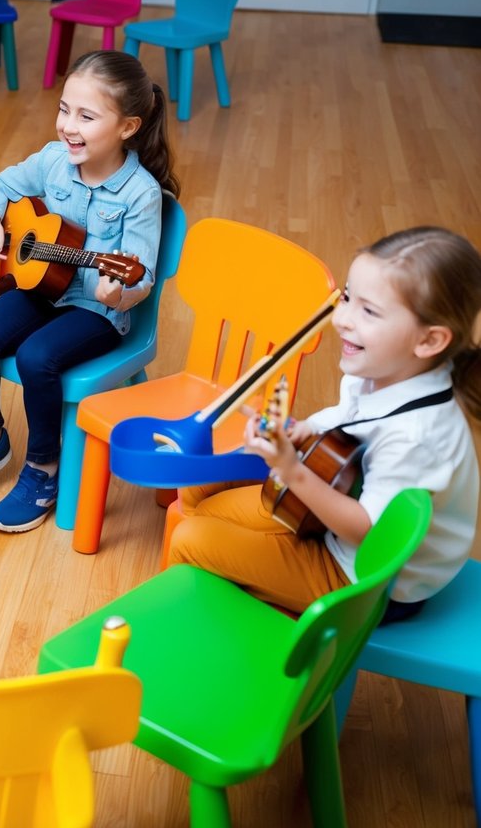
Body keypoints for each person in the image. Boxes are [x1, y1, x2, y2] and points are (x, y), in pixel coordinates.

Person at [169, 227, 481, 620]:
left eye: (368, 311)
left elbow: (368, 533)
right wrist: (303, 432)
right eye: (348, 297)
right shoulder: (387, 369)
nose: (342, 319)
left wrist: (292, 470)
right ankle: (234, 593)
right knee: (202, 491)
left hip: (365, 578)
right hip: (332, 517)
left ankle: (225, 632)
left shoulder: (416, 438)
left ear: (429, 341)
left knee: (190, 538)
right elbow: (349, 416)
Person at [0, 50, 179, 533]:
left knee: (36, 357)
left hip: (96, 310)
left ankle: (43, 469)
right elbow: (1, 184)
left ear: (128, 127)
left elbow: (140, 277)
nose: (68, 125)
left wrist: (119, 294)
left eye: (86, 116)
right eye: (64, 109)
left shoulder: (141, 195)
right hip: (44, 288)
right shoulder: (53, 161)